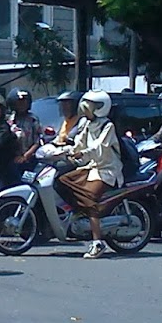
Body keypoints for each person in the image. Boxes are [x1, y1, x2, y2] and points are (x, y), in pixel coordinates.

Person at [52, 90, 124, 258]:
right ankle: (82, 213)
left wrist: (81, 154)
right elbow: (79, 142)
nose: (85, 108)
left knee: (89, 197)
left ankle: (97, 242)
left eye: (90, 105)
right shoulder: (85, 123)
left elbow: (99, 147)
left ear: (100, 107)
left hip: (107, 170)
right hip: (91, 167)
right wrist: (61, 150)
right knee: (62, 181)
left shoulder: (108, 126)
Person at [8, 88, 42, 172]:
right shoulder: (10, 120)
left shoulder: (33, 119)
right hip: (12, 160)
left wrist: (26, 156)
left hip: (30, 160)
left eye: (24, 101)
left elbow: (37, 141)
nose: (22, 104)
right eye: (19, 102)